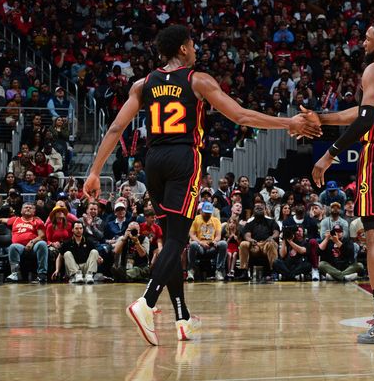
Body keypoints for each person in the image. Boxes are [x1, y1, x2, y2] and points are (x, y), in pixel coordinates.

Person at [83, 24, 320, 346]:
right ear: (183, 48)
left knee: (170, 241)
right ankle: (147, 303)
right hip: (183, 157)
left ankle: (182, 317)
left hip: (153, 161)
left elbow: (115, 128)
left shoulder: (143, 84)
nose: (195, 49)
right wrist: (287, 122)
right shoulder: (197, 79)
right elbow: (241, 116)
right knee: (178, 240)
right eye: (192, 44)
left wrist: (95, 171)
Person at [309, 20, 374, 344]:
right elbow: (364, 110)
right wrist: (322, 118)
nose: (362, 42)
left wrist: (330, 155)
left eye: (368, 38)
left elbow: (367, 119)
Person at [0, 202, 49, 283]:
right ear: (21, 211)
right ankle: (15, 274)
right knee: (13, 246)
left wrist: (32, 242)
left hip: (33, 247)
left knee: (42, 244)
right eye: (26, 207)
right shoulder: (15, 220)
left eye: (31, 208)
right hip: (19, 248)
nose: (28, 208)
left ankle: (42, 274)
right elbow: (1, 220)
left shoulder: (37, 221)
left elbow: (41, 236)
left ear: (34, 211)